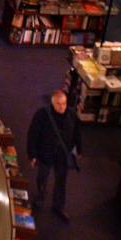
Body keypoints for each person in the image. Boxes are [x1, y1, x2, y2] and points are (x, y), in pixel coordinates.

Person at [26, 89, 82, 222]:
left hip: (62, 155)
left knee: (61, 181)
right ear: (52, 104)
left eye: (64, 103)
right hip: (46, 154)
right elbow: (33, 135)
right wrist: (32, 155)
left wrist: (79, 149)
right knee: (42, 178)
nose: (62, 107)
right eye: (58, 104)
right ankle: (40, 197)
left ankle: (58, 206)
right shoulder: (43, 114)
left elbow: (77, 132)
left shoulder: (71, 115)